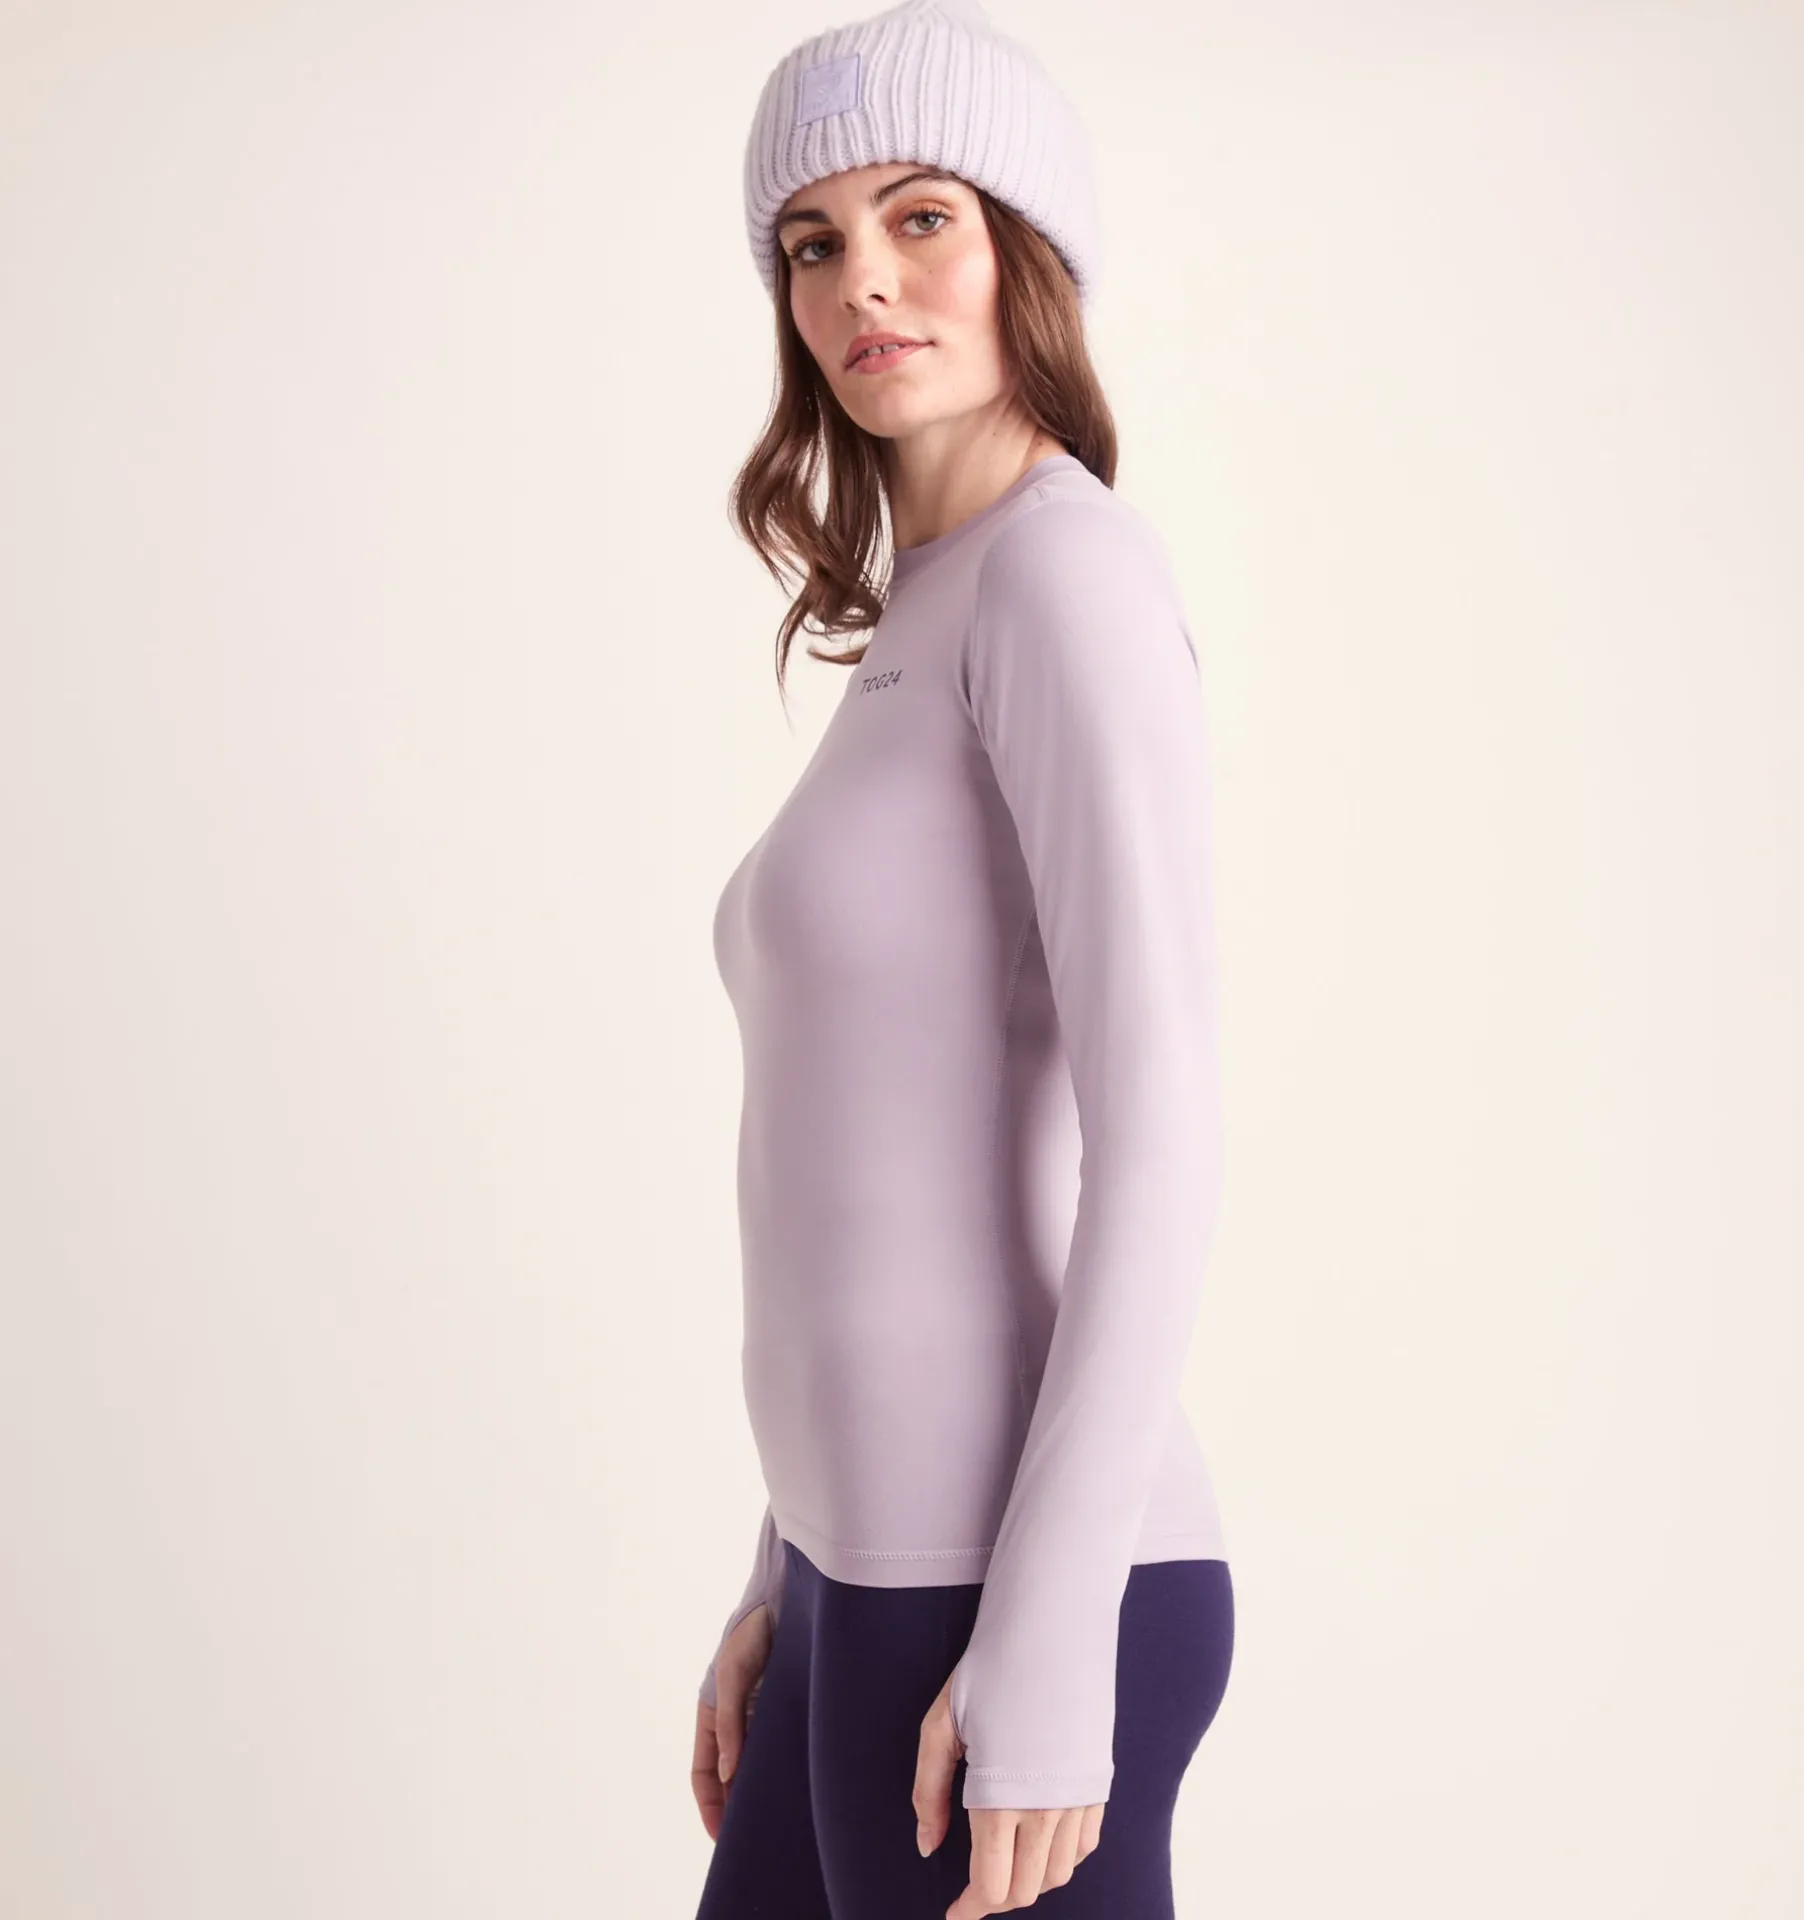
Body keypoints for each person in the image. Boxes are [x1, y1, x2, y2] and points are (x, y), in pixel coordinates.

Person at [689, 4, 1234, 1914]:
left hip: (1013, 1595)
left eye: (922, 216)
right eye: (813, 242)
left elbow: (1162, 1131)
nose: (863, 280)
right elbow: (868, 1159)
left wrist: (1053, 1638)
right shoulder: (925, 611)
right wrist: (786, 1566)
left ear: (1025, 249)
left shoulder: (1064, 574)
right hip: (862, 1580)